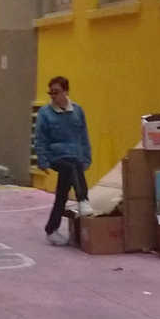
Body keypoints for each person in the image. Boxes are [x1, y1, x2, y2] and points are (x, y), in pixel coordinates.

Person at [33, 76, 92, 245]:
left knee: (62, 194)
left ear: (66, 92)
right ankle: (83, 199)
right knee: (71, 166)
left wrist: (86, 158)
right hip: (56, 156)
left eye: (56, 92)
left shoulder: (78, 111)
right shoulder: (45, 113)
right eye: (50, 92)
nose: (53, 96)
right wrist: (43, 161)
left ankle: (52, 229)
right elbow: (40, 138)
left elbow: (83, 136)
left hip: (75, 154)